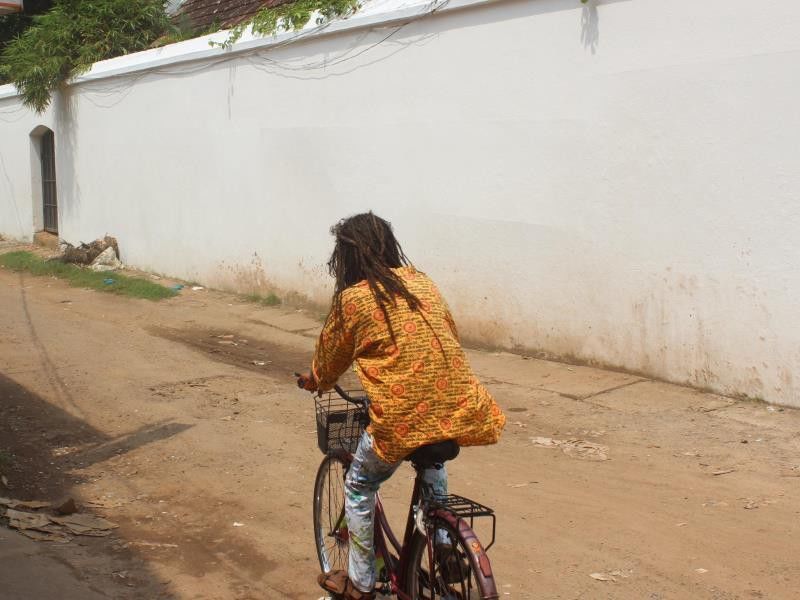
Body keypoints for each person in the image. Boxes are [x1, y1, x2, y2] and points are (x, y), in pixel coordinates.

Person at [296, 212, 506, 600]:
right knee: (432, 458)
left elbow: (329, 358)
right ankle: (443, 544)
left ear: (348, 257)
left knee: (358, 485)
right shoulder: (422, 283)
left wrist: (316, 381)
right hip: (456, 404)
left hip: (401, 417)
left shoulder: (353, 299)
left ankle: (360, 584)